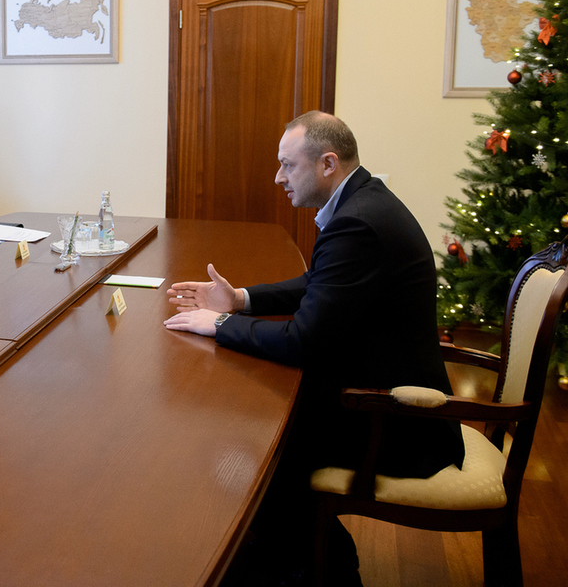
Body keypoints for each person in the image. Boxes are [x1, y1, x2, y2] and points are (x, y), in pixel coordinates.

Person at [163, 111, 464, 583]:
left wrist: (218, 323)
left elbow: (303, 341)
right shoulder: (364, 203)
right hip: (381, 388)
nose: (278, 177)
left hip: (398, 422)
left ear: (328, 163)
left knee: (256, 444)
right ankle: (299, 555)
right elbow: (319, 283)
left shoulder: (359, 224)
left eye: (288, 165)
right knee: (249, 423)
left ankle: (320, 567)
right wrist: (242, 298)